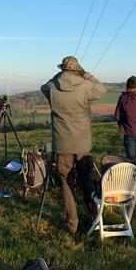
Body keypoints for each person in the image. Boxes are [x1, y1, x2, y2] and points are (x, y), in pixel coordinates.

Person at [41, 55, 107, 235]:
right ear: (77, 68)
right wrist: (85, 74)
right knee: (86, 179)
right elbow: (102, 89)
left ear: (62, 69)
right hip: (83, 142)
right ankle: (93, 215)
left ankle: (72, 224)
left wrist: (58, 76)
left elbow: (43, 86)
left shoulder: (53, 87)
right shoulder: (85, 85)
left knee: (66, 182)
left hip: (62, 142)